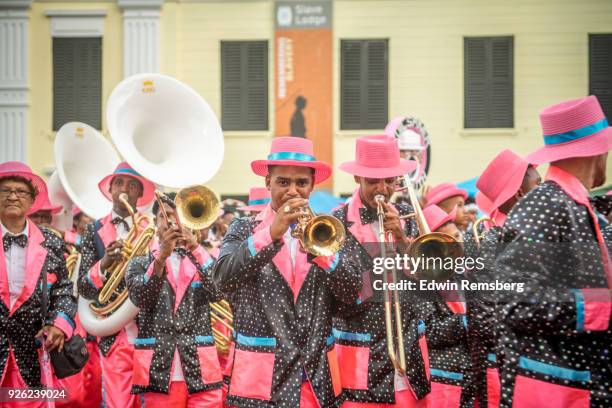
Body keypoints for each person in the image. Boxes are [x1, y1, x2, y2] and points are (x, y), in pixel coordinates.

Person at [213, 137, 360, 407]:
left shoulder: (330, 231)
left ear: (312, 185)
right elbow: (222, 280)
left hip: (315, 381)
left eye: (301, 183)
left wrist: (324, 254)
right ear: (268, 182)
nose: (293, 191)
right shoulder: (243, 229)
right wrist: (270, 235)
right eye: (283, 182)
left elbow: (352, 294)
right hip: (260, 382)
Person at [495, 96, 612, 407]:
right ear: (598, 149)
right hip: (555, 388)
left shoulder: (572, 205)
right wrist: (602, 306)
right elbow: (513, 299)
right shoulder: (545, 205)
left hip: (576, 385)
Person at [333, 135, 430, 407]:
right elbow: (338, 295)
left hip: (408, 360)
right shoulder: (335, 223)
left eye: (389, 180)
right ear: (357, 179)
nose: (382, 188)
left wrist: (401, 242)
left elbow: (430, 284)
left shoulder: (408, 216)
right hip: (360, 359)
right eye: (373, 180)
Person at [126, 192, 223, 407]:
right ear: (155, 222)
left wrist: (196, 249)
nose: (171, 222)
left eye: (177, 215)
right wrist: (160, 258)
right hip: (158, 373)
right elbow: (141, 298)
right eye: (164, 216)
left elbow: (218, 292)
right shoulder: (139, 262)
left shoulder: (204, 258)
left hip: (202, 371)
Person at [77, 161, 155, 408]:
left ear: (140, 194)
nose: (124, 189)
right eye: (119, 183)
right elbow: (83, 286)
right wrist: (105, 263)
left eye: (132, 185)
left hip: (150, 330)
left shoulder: (152, 229)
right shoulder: (93, 230)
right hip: (113, 332)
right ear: (110, 190)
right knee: (117, 403)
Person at [468, 149, 541, 408]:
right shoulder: (494, 242)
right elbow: (483, 321)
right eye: (538, 184)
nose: (544, 190)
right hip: (503, 370)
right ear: (521, 194)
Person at [0, 162, 76, 407]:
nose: (13, 196)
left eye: (20, 191)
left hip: (32, 355)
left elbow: (64, 289)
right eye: (5, 190)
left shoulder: (52, 242)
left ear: (31, 199)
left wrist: (58, 325)